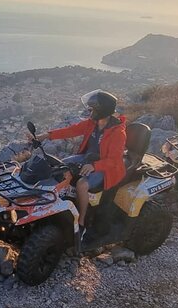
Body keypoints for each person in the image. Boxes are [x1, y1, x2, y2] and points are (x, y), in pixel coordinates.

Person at [32, 90, 126, 244]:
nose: (90, 112)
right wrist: (45, 136)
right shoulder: (92, 123)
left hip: (106, 168)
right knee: (60, 166)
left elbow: (115, 160)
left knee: (82, 184)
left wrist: (94, 166)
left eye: (94, 109)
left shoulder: (118, 133)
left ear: (103, 111)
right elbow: (71, 130)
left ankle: (81, 224)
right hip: (88, 159)